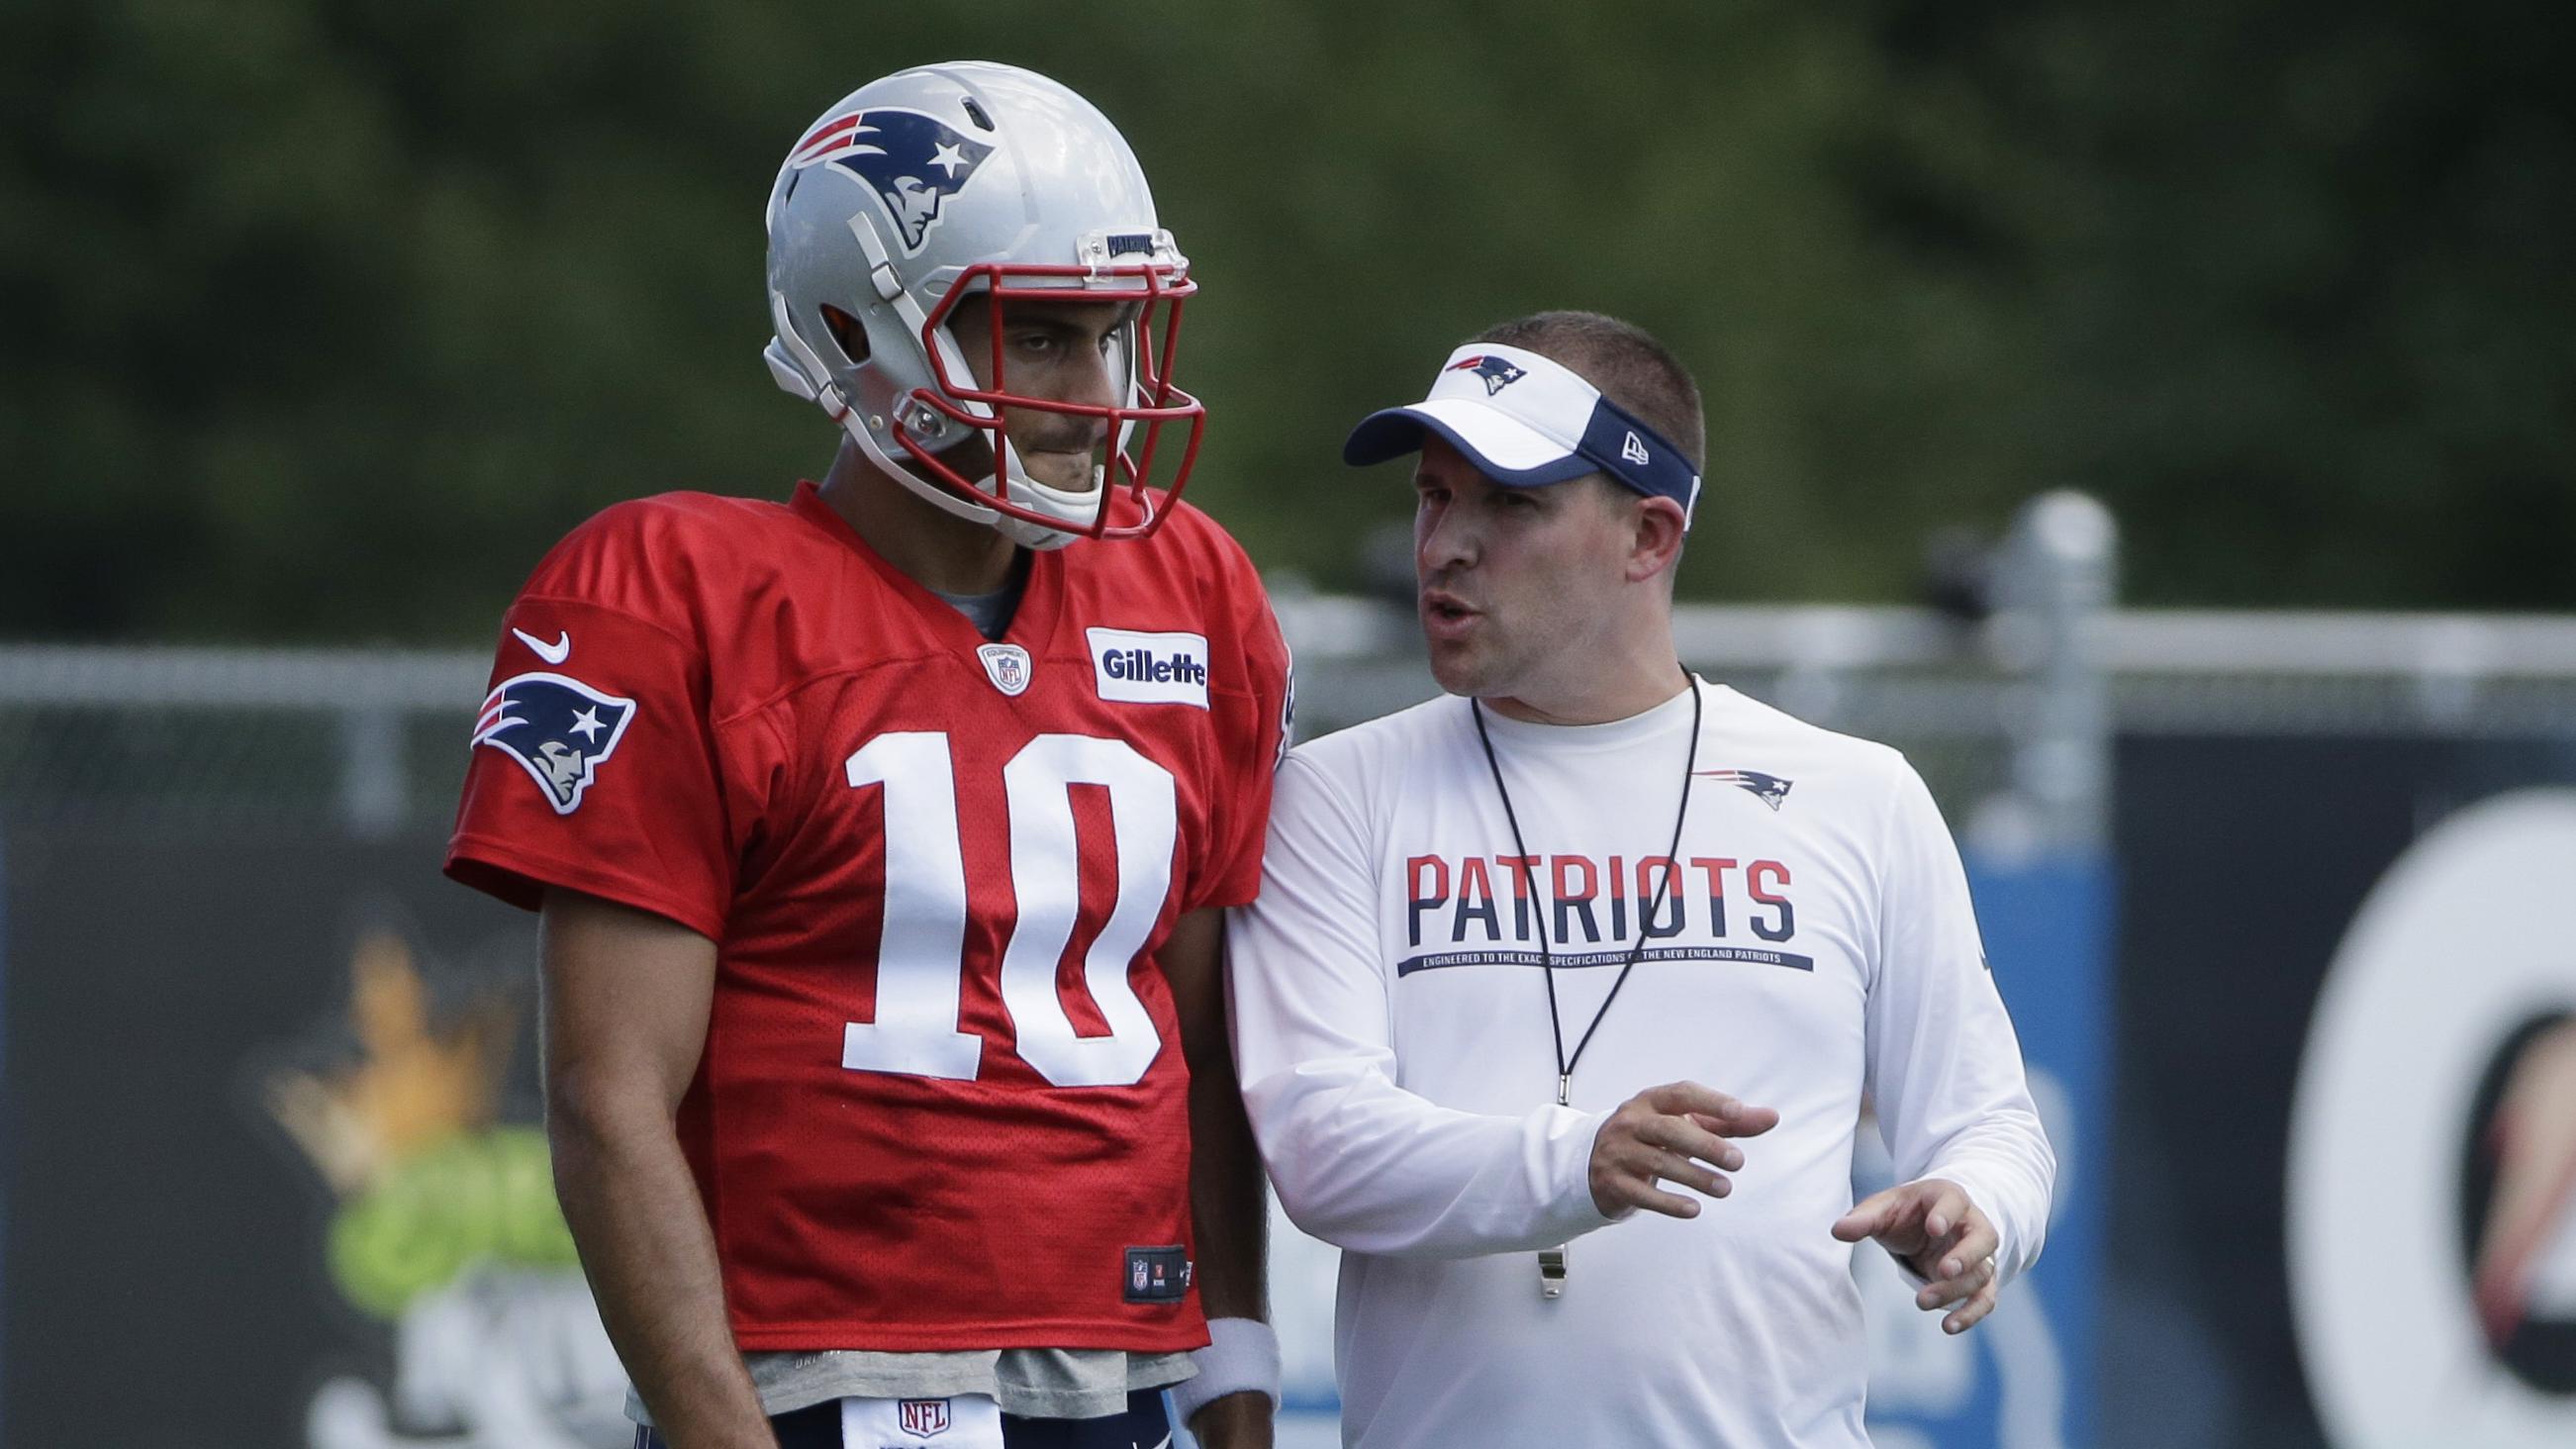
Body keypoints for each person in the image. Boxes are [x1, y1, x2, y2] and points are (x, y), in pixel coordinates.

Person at [445, 62, 1289, 1449]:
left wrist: (1236, 1397)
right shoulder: (678, 594)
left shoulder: (1188, 587)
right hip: (822, 1383)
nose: (1098, 395)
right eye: (1040, 340)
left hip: (1120, 1374)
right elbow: (607, 1104)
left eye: (1115, 334)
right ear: (861, 331)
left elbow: (1198, 1042)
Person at [1225, 312, 2056, 1447]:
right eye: (1431, 495)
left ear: (1649, 536)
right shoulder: (1335, 795)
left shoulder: (1856, 795)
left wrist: (1976, 1216)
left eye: (1508, 504)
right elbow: (1320, 1149)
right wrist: (1578, 1161)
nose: (1443, 545)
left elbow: (1989, 1127)